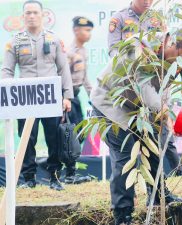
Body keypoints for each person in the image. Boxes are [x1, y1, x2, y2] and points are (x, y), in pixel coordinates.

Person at [90, 28, 182, 225]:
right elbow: (144, 88)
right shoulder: (139, 46)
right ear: (173, 45)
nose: (181, 67)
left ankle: (160, 195)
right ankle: (123, 215)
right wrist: (166, 113)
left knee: (154, 150)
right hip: (112, 107)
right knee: (125, 157)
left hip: (144, 109)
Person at [1, 0, 74, 191]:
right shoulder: (14, 42)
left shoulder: (54, 39)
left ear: (42, 15)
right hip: (25, 99)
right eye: (28, 13)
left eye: (35, 12)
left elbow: (63, 68)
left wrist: (67, 96)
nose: (31, 16)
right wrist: (7, 97)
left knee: (53, 138)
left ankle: (54, 177)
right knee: (27, 138)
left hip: (50, 97)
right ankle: (29, 178)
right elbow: (7, 70)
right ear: (23, 17)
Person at [108, 0, 182, 176]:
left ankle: (159, 188)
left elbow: (165, 48)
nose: (148, 2)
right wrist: (134, 60)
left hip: (151, 83)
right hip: (128, 89)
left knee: (155, 138)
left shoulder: (158, 19)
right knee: (128, 148)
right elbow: (113, 51)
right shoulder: (119, 19)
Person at [64, 16, 95, 184]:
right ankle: (69, 175)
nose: (89, 34)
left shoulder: (83, 51)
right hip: (67, 98)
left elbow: (85, 78)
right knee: (70, 136)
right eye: (86, 30)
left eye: (90, 31)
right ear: (76, 30)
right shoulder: (68, 52)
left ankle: (71, 171)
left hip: (76, 97)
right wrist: (65, 98)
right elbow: (63, 77)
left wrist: (93, 96)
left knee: (79, 133)